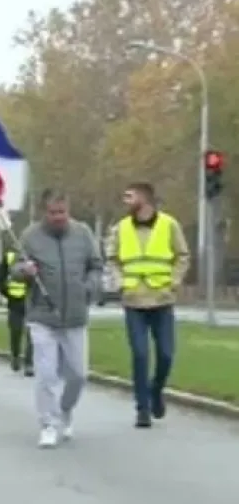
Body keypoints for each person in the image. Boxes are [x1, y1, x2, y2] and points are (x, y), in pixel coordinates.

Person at [12, 189, 102, 448]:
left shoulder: (83, 233)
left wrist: (89, 287)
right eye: (53, 213)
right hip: (43, 315)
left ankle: (65, 409)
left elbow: (96, 265)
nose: (58, 217)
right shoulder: (30, 236)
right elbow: (15, 268)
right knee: (46, 373)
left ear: (68, 210)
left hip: (75, 315)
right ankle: (48, 424)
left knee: (79, 374)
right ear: (45, 212)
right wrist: (24, 271)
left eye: (62, 212)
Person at [107, 182, 189, 428]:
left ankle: (156, 390)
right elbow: (112, 259)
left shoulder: (169, 225)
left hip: (162, 300)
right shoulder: (121, 228)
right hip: (134, 301)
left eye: (129, 196)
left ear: (145, 199)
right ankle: (142, 409)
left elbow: (182, 256)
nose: (125, 201)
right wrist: (120, 282)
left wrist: (173, 283)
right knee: (140, 354)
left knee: (166, 354)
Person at [0, 246, 33, 376]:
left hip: (32, 300)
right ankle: (15, 355)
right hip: (15, 301)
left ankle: (29, 363)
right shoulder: (10, 257)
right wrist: (6, 291)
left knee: (32, 333)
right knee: (16, 331)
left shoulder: (36, 255)